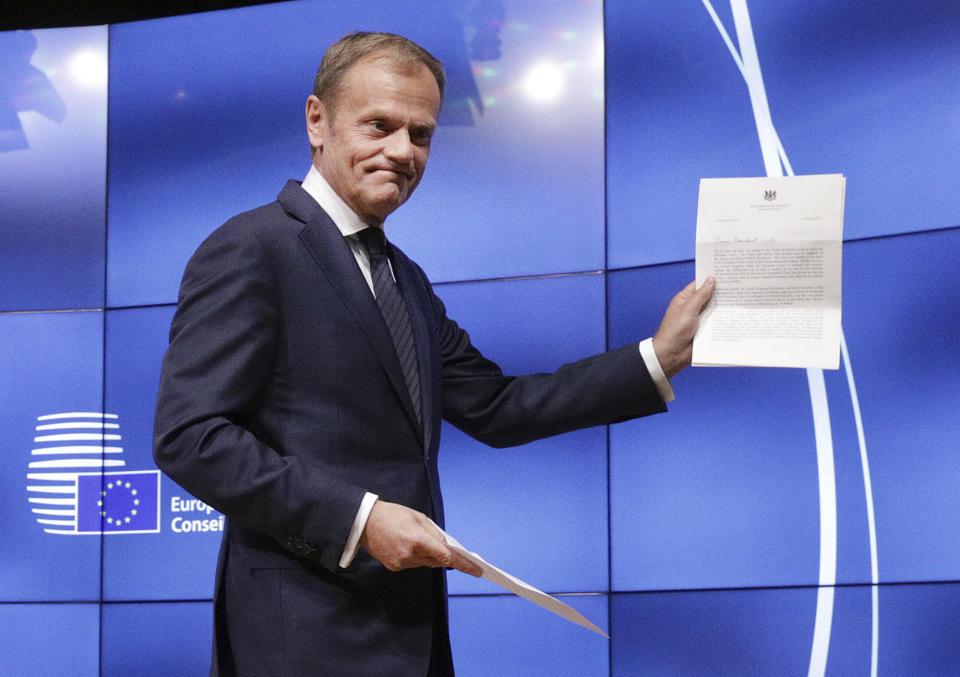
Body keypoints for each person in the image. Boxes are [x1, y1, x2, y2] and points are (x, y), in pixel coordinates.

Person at [153, 31, 714, 677]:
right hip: (301, 636)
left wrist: (659, 356)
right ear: (317, 120)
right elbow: (190, 436)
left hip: (408, 634)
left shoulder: (403, 277)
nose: (402, 151)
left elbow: (499, 406)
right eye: (380, 126)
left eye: (420, 135)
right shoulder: (252, 247)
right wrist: (360, 520)